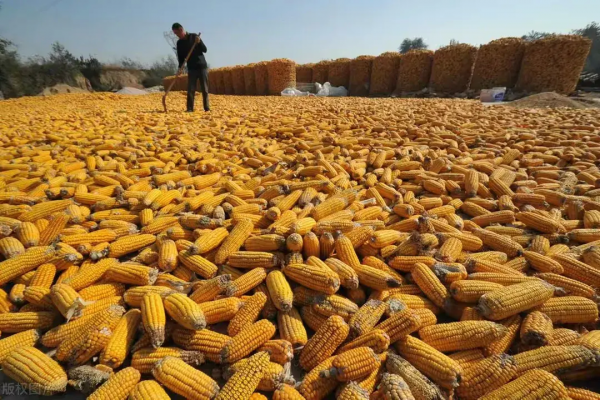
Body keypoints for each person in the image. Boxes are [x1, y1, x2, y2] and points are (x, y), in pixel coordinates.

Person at [172, 22, 209, 112]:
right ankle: (189, 109)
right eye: (175, 33)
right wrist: (180, 68)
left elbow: (205, 49)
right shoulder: (179, 43)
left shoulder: (194, 37)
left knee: (204, 89)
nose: (176, 35)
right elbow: (180, 58)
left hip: (201, 66)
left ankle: (207, 108)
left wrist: (199, 42)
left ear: (181, 29)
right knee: (191, 89)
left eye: (177, 33)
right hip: (191, 68)